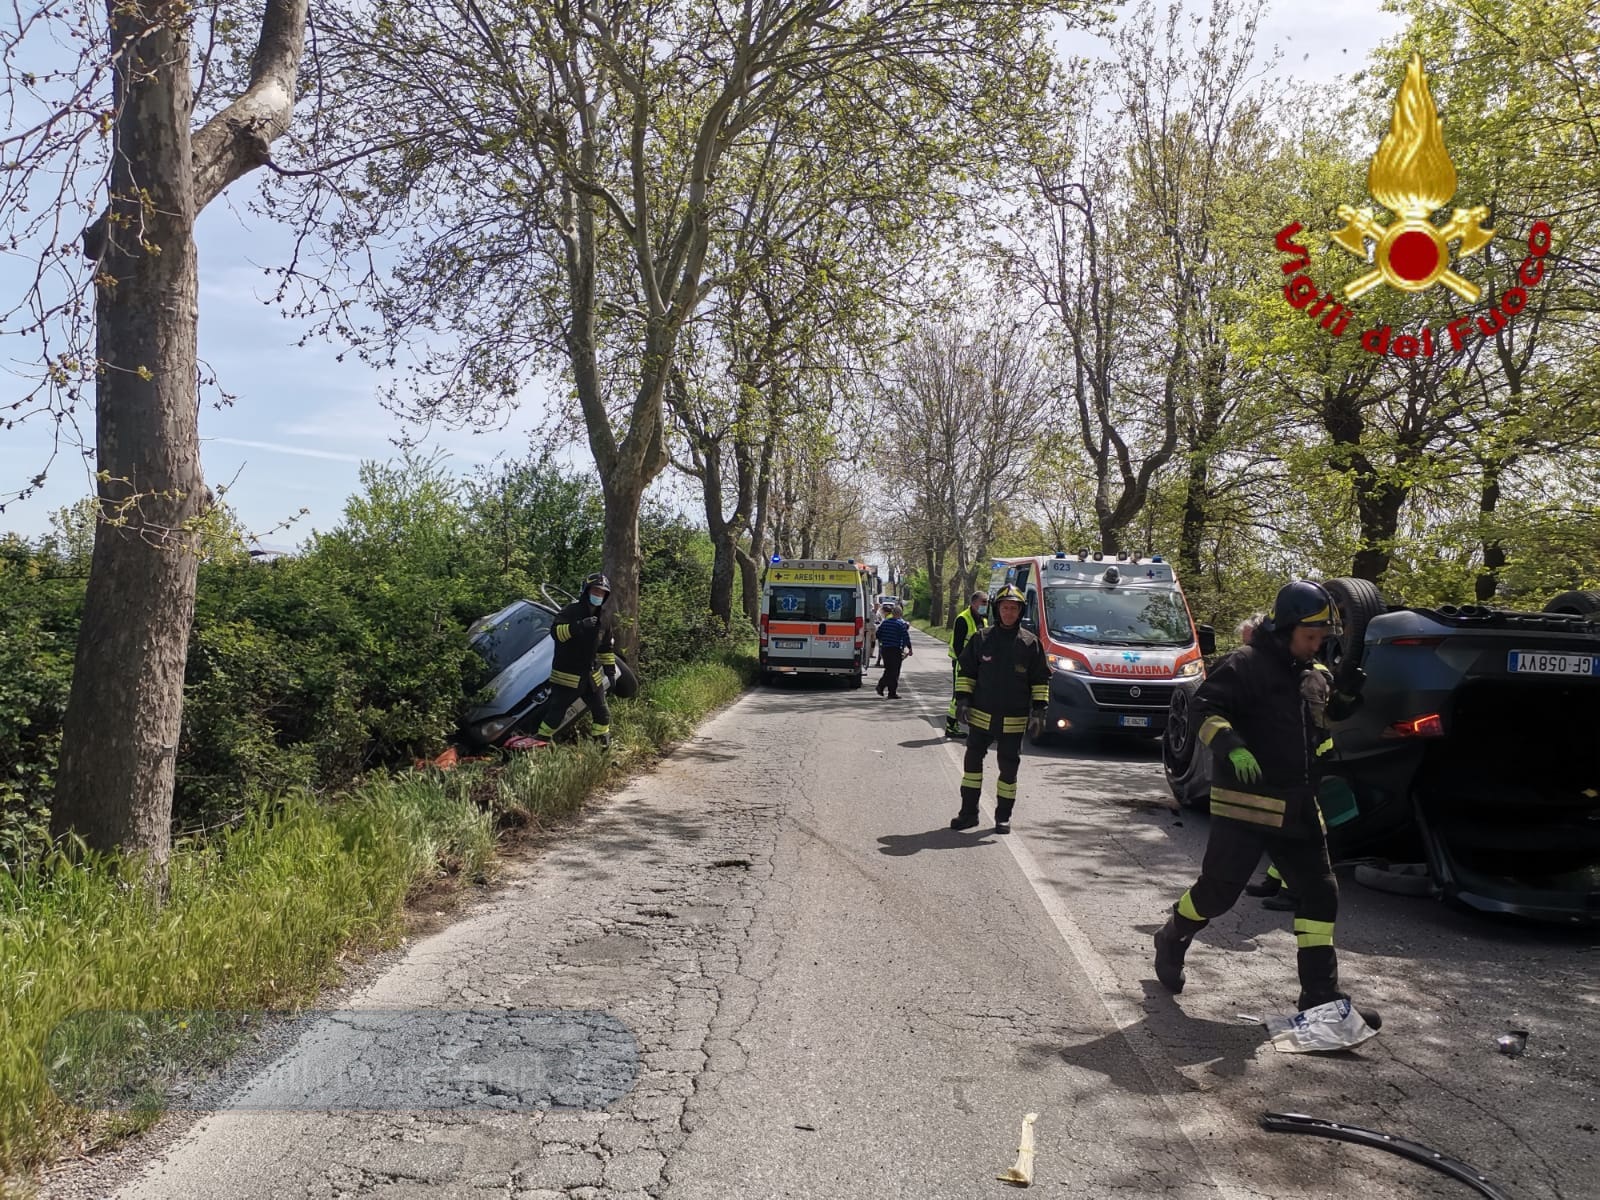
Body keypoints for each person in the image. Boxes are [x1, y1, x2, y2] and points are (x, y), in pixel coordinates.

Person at [1152, 580, 1378, 1022]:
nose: (1316, 646)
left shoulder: (1315, 674)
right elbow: (1204, 709)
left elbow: (1324, 720)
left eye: (1322, 639)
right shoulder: (1245, 664)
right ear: (1287, 627)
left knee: (1320, 894)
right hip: (1247, 804)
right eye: (1309, 637)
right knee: (1218, 894)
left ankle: (1320, 996)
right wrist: (1232, 745)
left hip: (1298, 806)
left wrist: (1346, 699)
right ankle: (1173, 934)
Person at [950, 584, 1050, 835]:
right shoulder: (981, 639)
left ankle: (1003, 817)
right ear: (997, 609)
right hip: (981, 717)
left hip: (1013, 721)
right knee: (972, 765)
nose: (1008, 612)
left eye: (1013, 608)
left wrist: (1039, 712)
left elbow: (1040, 680)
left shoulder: (1030, 644)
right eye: (1005, 608)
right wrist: (962, 701)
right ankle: (968, 814)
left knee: (1008, 769)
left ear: (1020, 612)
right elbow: (966, 672)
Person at [534, 572, 619, 749]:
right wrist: (578, 626)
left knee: (602, 713)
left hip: (591, 677)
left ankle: (602, 750)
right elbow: (556, 634)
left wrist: (610, 671)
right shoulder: (570, 611)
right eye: (595, 590)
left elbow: (605, 649)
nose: (598, 595)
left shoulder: (604, 618)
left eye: (602, 592)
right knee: (555, 715)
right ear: (586, 591)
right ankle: (539, 745)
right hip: (567, 676)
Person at [944, 590, 989, 738]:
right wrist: (965, 663)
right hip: (962, 663)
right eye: (982, 602)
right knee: (959, 694)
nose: (985, 605)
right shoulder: (963, 619)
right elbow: (958, 645)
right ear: (973, 603)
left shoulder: (983, 620)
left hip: (978, 665)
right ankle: (951, 726)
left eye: (986, 603)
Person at [875, 602, 912, 699]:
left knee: (889, 670)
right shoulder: (901, 624)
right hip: (895, 650)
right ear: (900, 614)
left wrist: (884, 640)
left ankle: (883, 688)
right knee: (894, 672)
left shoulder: (885, 622)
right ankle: (888, 690)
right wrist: (910, 648)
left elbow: (878, 634)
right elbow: (906, 637)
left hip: (885, 649)